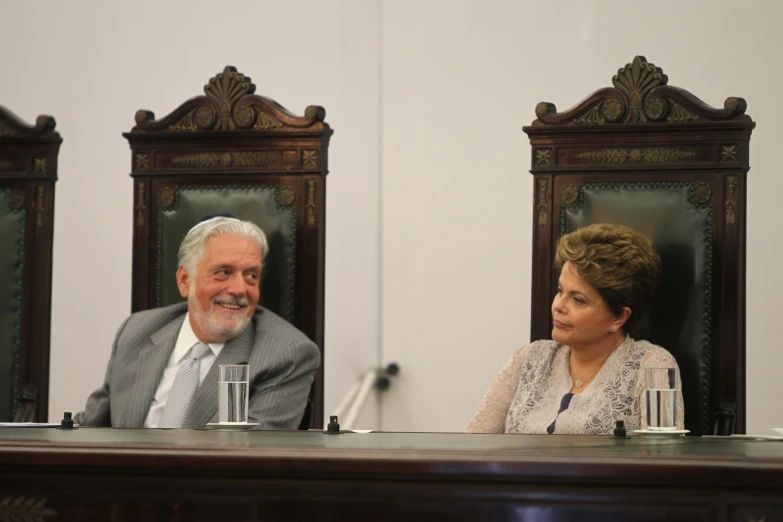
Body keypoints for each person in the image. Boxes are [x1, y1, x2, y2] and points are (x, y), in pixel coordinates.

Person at [75, 216, 320, 430]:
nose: (239, 289)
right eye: (223, 272)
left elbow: (249, 458)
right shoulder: (136, 332)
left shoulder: (285, 355)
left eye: (251, 276)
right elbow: (89, 428)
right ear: (184, 280)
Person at [467, 223, 684, 435]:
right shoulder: (528, 360)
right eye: (560, 291)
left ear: (619, 317)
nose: (558, 306)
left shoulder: (654, 366)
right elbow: (473, 449)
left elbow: (661, 460)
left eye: (578, 300)